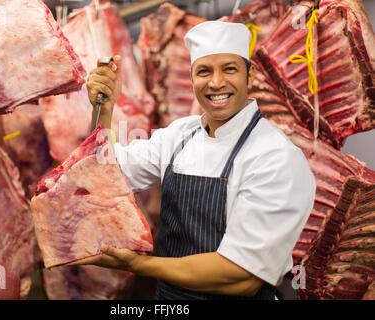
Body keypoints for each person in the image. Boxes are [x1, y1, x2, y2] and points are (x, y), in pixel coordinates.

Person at [82, 21, 316, 300]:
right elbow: (101, 176)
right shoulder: (179, 136)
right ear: (192, 79)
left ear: (250, 76)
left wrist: (139, 265)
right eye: (204, 71)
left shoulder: (275, 156)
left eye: (229, 69)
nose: (216, 82)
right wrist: (105, 112)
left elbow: (241, 277)